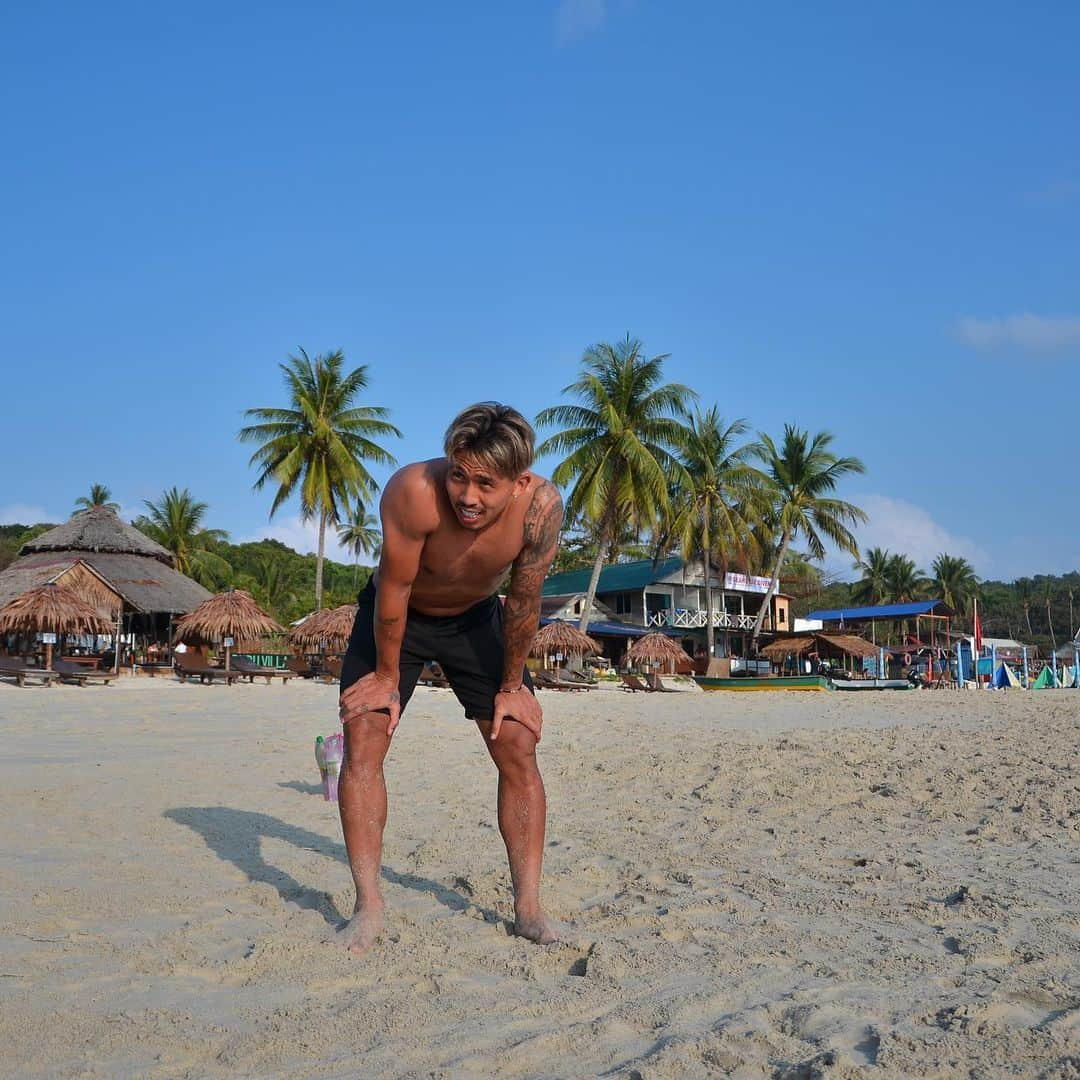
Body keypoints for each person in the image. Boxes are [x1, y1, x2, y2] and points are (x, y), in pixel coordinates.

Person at [336, 402, 563, 955]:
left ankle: (528, 908)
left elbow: (526, 598)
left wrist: (512, 686)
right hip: (397, 617)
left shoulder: (541, 507)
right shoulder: (412, 491)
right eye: (459, 475)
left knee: (518, 744)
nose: (468, 496)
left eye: (486, 483)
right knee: (364, 737)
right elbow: (394, 589)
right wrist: (387, 677)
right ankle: (368, 906)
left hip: (476, 619)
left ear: (519, 482)